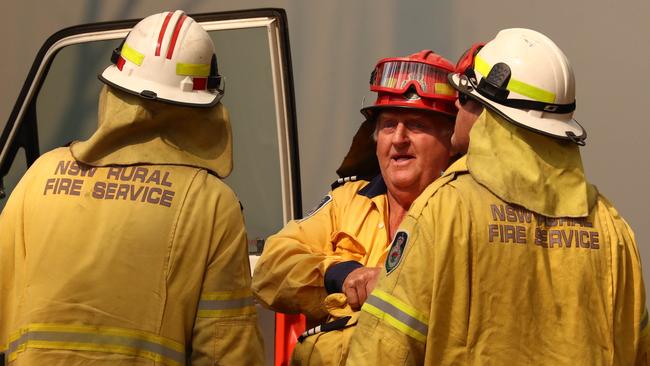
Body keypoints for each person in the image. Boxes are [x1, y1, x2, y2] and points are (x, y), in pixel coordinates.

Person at [347, 28, 649, 365]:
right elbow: (636, 349)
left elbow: (386, 348)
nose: (456, 110)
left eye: (462, 98)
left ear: (485, 112)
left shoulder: (446, 208)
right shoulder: (612, 227)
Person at [0, 10, 264, 365]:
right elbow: (225, 349)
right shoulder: (211, 204)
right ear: (204, 109)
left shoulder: (39, 177)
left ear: (112, 91)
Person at [252, 50, 457, 365]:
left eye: (416, 125)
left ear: (450, 140)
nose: (399, 139)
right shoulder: (348, 200)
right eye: (388, 125)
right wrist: (341, 274)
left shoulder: (458, 214)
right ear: (375, 139)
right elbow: (270, 268)